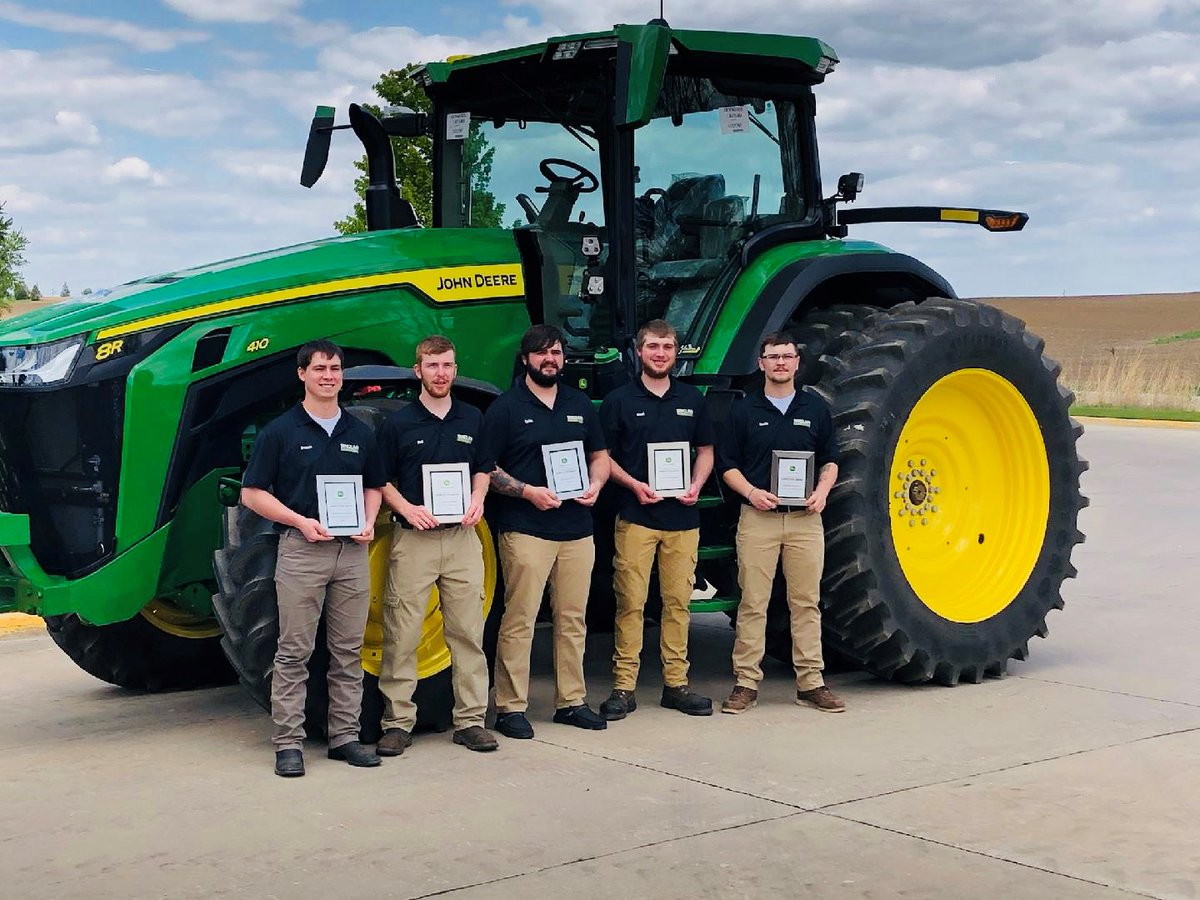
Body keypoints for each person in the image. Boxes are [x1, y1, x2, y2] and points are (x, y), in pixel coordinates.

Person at [241, 339, 387, 777]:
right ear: (302, 374)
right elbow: (252, 494)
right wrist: (300, 521)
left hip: (351, 553)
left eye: (336, 368)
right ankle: (288, 743)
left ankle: (345, 736)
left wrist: (369, 520)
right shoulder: (280, 432)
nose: (329, 376)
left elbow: (375, 485)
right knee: (293, 652)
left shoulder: (360, 432)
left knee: (348, 650)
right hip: (303, 551)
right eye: (320, 368)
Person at [478, 324, 611, 738]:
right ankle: (510, 707)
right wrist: (526, 492)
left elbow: (600, 455)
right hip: (526, 528)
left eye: (555, 352)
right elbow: (486, 468)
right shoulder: (505, 408)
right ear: (525, 359)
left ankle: (571, 701)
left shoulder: (578, 403)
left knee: (573, 620)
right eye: (540, 353)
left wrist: (596, 483)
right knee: (520, 619)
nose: (549, 359)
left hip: (576, 528)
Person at [375, 335, 498, 755]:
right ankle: (397, 722)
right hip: (415, 541)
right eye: (432, 366)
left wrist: (478, 498)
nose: (440, 373)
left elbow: (483, 468)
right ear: (418, 371)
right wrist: (407, 509)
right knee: (402, 633)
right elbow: (382, 480)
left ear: (455, 370)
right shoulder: (399, 424)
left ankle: (470, 720)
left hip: (463, 540)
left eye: (447, 365)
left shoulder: (472, 419)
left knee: (467, 633)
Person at [715, 332, 845, 715]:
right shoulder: (744, 410)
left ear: (797, 362)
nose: (781, 363)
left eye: (787, 356)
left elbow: (831, 459)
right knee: (753, 603)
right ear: (762, 363)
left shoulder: (815, 409)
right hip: (758, 519)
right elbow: (727, 465)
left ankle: (811, 683)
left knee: (806, 603)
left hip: (805, 520)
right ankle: (745, 683)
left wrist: (822, 491)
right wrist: (752, 492)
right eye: (773, 357)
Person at [597, 319, 715, 720]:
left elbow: (706, 451)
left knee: (678, 603)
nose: (660, 353)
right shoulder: (619, 401)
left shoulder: (693, 400)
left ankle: (676, 685)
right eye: (652, 346)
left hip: (683, 518)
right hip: (636, 516)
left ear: (676, 352)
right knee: (631, 602)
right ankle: (623, 687)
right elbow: (603, 458)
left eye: (667, 346)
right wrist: (634, 485)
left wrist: (697, 484)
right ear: (639, 351)